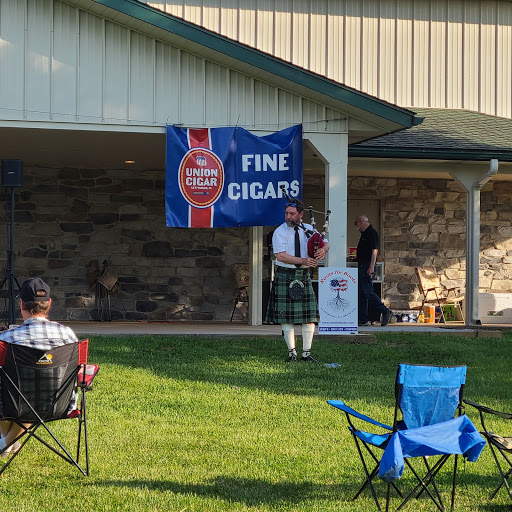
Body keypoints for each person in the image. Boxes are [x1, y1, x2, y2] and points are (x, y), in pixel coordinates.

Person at [0, 278, 79, 457]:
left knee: (13, 391)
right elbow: (78, 371)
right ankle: (8, 442)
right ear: (49, 303)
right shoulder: (68, 335)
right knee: (37, 390)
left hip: (14, 404)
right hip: (58, 403)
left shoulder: (6, 339)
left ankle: (5, 443)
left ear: (21, 305)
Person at [265, 200, 329, 362]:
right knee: (286, 317)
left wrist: (322, 250)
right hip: (286, 274)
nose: (288, 217)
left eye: (292, 214)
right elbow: (280, 256)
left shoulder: (309, 229)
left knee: (309, 317)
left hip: (303, 275)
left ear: (301, 214)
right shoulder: (279, 232)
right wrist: (304, 260)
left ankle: (306, 353)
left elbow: (326, 243)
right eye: (287, 213)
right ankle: (291, 353)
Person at [355, 215, 392, 327]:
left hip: (367, 265)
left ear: (361, 222)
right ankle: (362, 319)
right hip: (362, 264)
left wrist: (371, 266)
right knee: (362, 293)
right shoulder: (364, 234)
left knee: (368, 291)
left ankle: (385, 311)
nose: (356, 226)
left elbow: (374, 251)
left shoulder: (371, 233)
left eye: (356, 223)